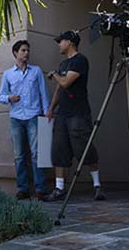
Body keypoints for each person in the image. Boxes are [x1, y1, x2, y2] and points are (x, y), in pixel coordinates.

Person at [44, 30, 106, 201]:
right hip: (62, 114)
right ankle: (59, 188)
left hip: (78, 114)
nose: (59, 44)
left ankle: (97, 186)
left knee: (84, 148)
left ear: (70, 42)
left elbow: (65, 82)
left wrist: (54, 74)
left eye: (61, 41)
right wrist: (51, 109)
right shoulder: (63, 64)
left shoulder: (80, 60)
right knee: (59, 150)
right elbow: (59, 89)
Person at [0, 40, 50, 200]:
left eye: (27, 50)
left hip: (33, 115)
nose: (26, 53)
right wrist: (10, 98)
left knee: (37, 154)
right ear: (15, 53)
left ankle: (40, 189)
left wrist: (47, 113)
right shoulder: (8, 74)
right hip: (16, 118)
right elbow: (0, 96)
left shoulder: (36, 71)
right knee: (19, 155)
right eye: (23, 50)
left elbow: (43, 93)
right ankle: (23, 189)